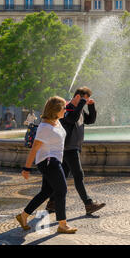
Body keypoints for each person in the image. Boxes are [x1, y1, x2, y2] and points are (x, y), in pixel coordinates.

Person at [16, 96, 77, 234]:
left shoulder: (56, 121)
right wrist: (26, 168)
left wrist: (76, 102)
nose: (65, 110)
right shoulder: (45, 127)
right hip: (49, 162)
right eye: (63, 108)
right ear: (56, 110)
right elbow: (34, 149)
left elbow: (67, 106)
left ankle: (23, 216)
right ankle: (62, 224)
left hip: (54, 160)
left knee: (46, 192)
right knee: (61, 190)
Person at [45, 87, 105, 216]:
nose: (86, 101)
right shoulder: (67, 107)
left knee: (63, 177)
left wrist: (92, 106)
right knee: (79, 175)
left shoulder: (79, 109)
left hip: (74, 147)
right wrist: (81, 103)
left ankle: (52, 203)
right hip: (68, 148)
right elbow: (71, 119)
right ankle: (88, 204)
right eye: (85, 98)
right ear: (78, 97)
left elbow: (90, 120)